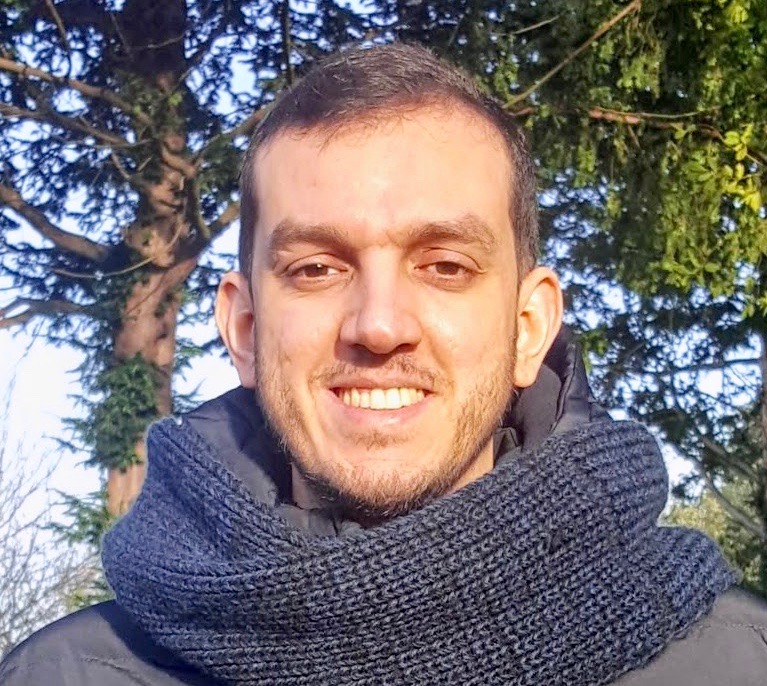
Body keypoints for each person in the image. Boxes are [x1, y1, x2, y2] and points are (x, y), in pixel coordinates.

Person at [2, 42, 766, 686]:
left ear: (528, 327)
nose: (378, 325)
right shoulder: (66, 676)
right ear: (244, 328)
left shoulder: (734, 663)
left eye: (444, 266)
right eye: (315, 269)